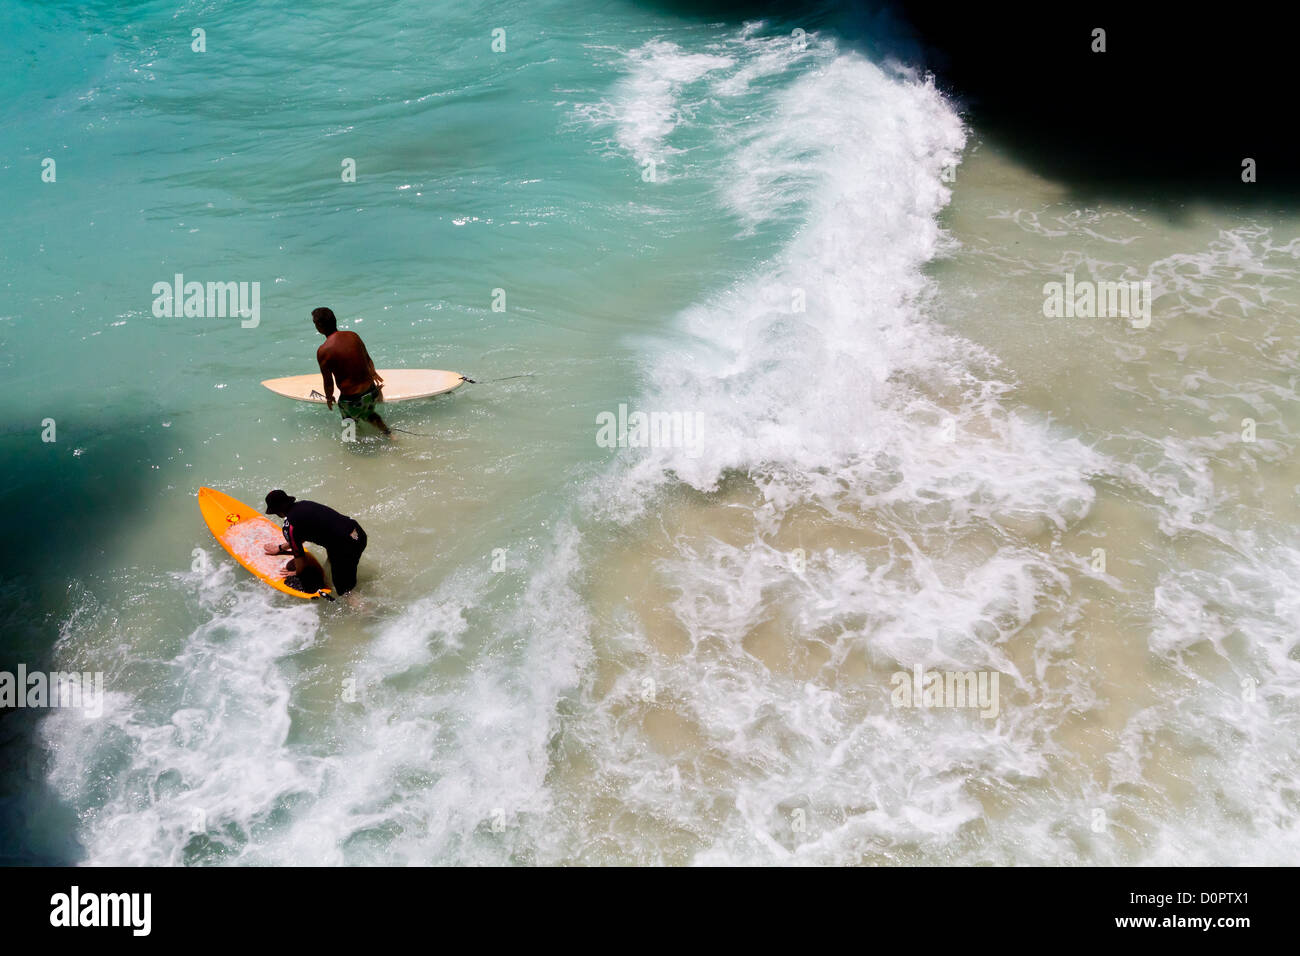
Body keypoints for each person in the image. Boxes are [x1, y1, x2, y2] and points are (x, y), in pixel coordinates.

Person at [262, 490, 368, 595]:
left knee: (346, 592)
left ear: (277, 511)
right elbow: (301, 536)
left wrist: (298, 573)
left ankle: (365, 610)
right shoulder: (305, 504)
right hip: (358, 534)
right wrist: (281, 548)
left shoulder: (290, 526)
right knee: (333, 564)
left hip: (345, 546)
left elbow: (299, 557)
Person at [312, 306, 390, 437]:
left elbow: (328, 382)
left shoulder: (323, 351)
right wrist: (373, 372)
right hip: (371, 392)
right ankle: (389, 434)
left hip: (352, 401)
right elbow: (367, 358)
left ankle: (352, 447)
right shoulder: (353, 335)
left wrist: (329, 398)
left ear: (319, 326)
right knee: (369, 414)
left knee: (349, 424)